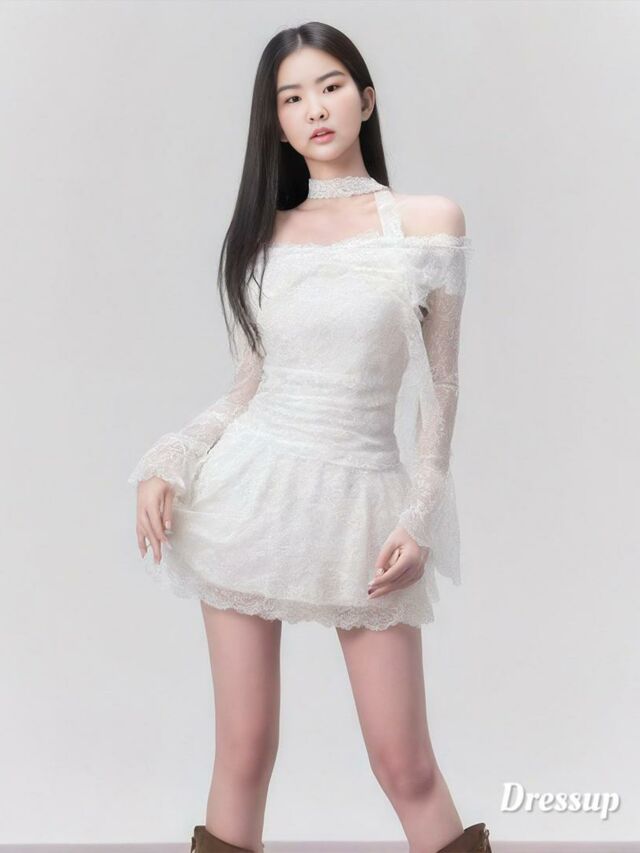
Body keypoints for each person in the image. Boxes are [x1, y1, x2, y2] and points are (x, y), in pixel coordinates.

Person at [128, 21, 491, 853]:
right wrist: (171, 459)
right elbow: (247, 388)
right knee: (244, 751)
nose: (314, 109)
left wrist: (420, 516)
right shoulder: (263, 238)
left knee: (405, 764)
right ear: (278, 125)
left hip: (364, 507)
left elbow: (441, 389)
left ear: (366, 99)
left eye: (329, 87)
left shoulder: (429, 221)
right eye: (291, 98)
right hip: (249, 498)